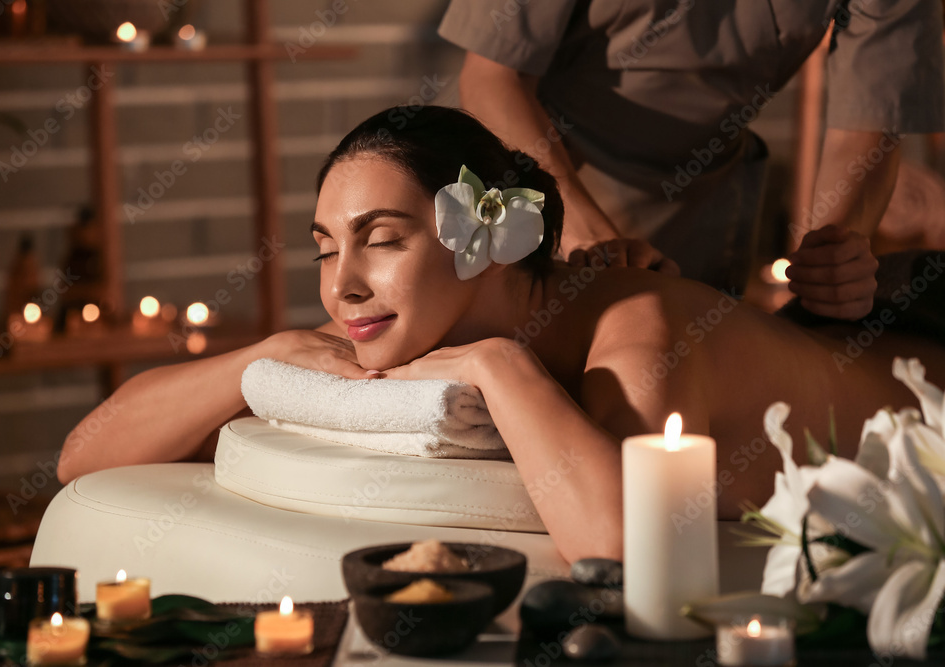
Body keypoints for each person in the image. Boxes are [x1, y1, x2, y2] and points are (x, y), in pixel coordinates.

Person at [56, 107, 945, 566]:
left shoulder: (641, 330)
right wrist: (258, 356)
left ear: (488, 242)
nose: (343, 284)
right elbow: (81, 458)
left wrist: (498, 366)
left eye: (383, 239)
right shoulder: (392, 324)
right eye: (327, 249)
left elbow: (630, 550)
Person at [438, 0, 945, 320]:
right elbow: (492, 78)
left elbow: (869, 118)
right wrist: (583, 231)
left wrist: (837, 253)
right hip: (532, 179)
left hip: (701, 205)